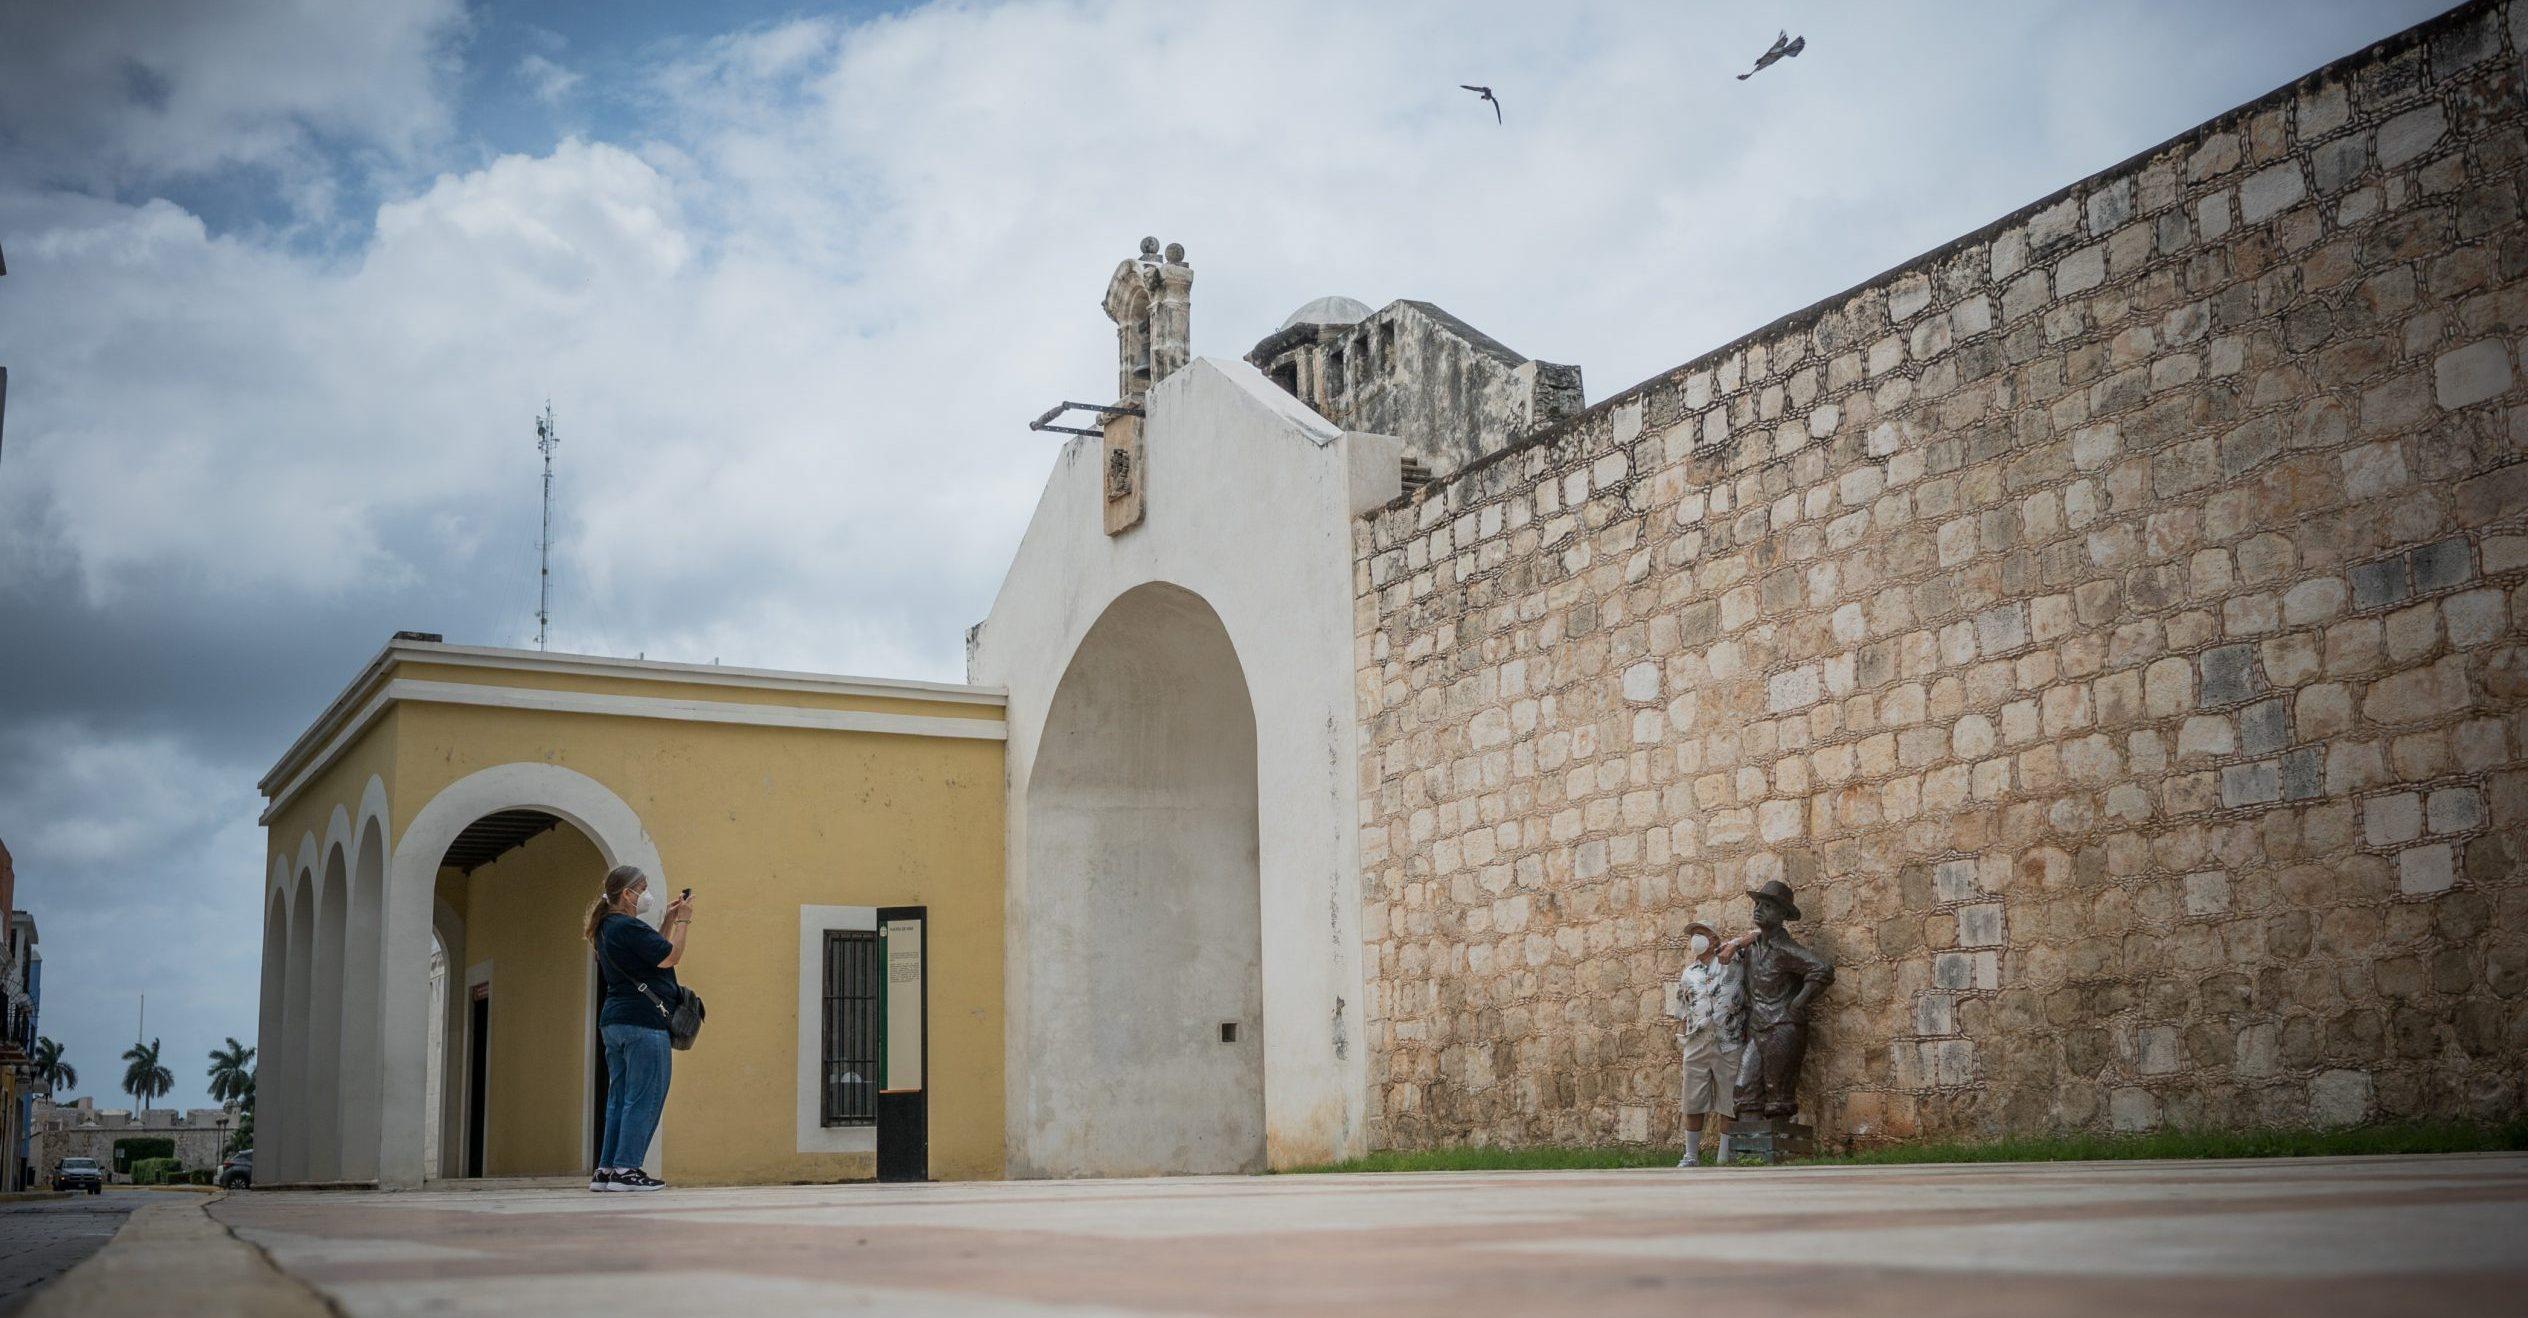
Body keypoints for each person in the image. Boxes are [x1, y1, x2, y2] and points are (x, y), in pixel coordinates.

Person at [583, 865, 693, 1192]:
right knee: (645, 1097)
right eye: (641, 888)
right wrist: (685, 920)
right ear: (627, 894)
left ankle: (606, 1169)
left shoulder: (607, 927)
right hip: (643, 1022)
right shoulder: (627, 926)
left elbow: (650, 954)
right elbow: (669, 957)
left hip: (614, 1021)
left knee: (619, 1097)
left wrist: (668, 920)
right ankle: (627, 1169)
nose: (646, 894)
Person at [1671, 922, 1753, 1167]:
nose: (1696, 938)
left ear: (1714, 938)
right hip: (1697, 1041)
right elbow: (1683, 1009)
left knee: (1728, 1101)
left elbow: (1759, 933)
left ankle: (1724, 1156)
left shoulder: (1733, 958)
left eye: (1701, 933)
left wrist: (1735, 944)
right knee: (1692, 1099)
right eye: (1693, 934)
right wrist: (1682, 1037)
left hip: (1728, 1040)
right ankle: (1691, 1155)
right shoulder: (1689, 973)